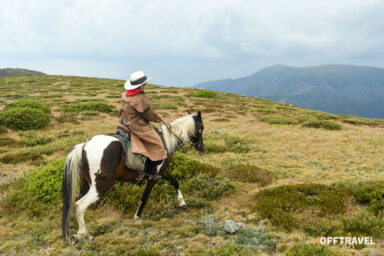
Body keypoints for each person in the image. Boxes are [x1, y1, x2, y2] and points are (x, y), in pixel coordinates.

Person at [116, 71, 167, 179]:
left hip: (124, 122)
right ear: (142, 85)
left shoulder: (126, 94)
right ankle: (150, 172)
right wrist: (158, 118)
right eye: (145, 84)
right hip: (136, 125)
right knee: (158, 144)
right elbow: (149, 115)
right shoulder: (141, 99)